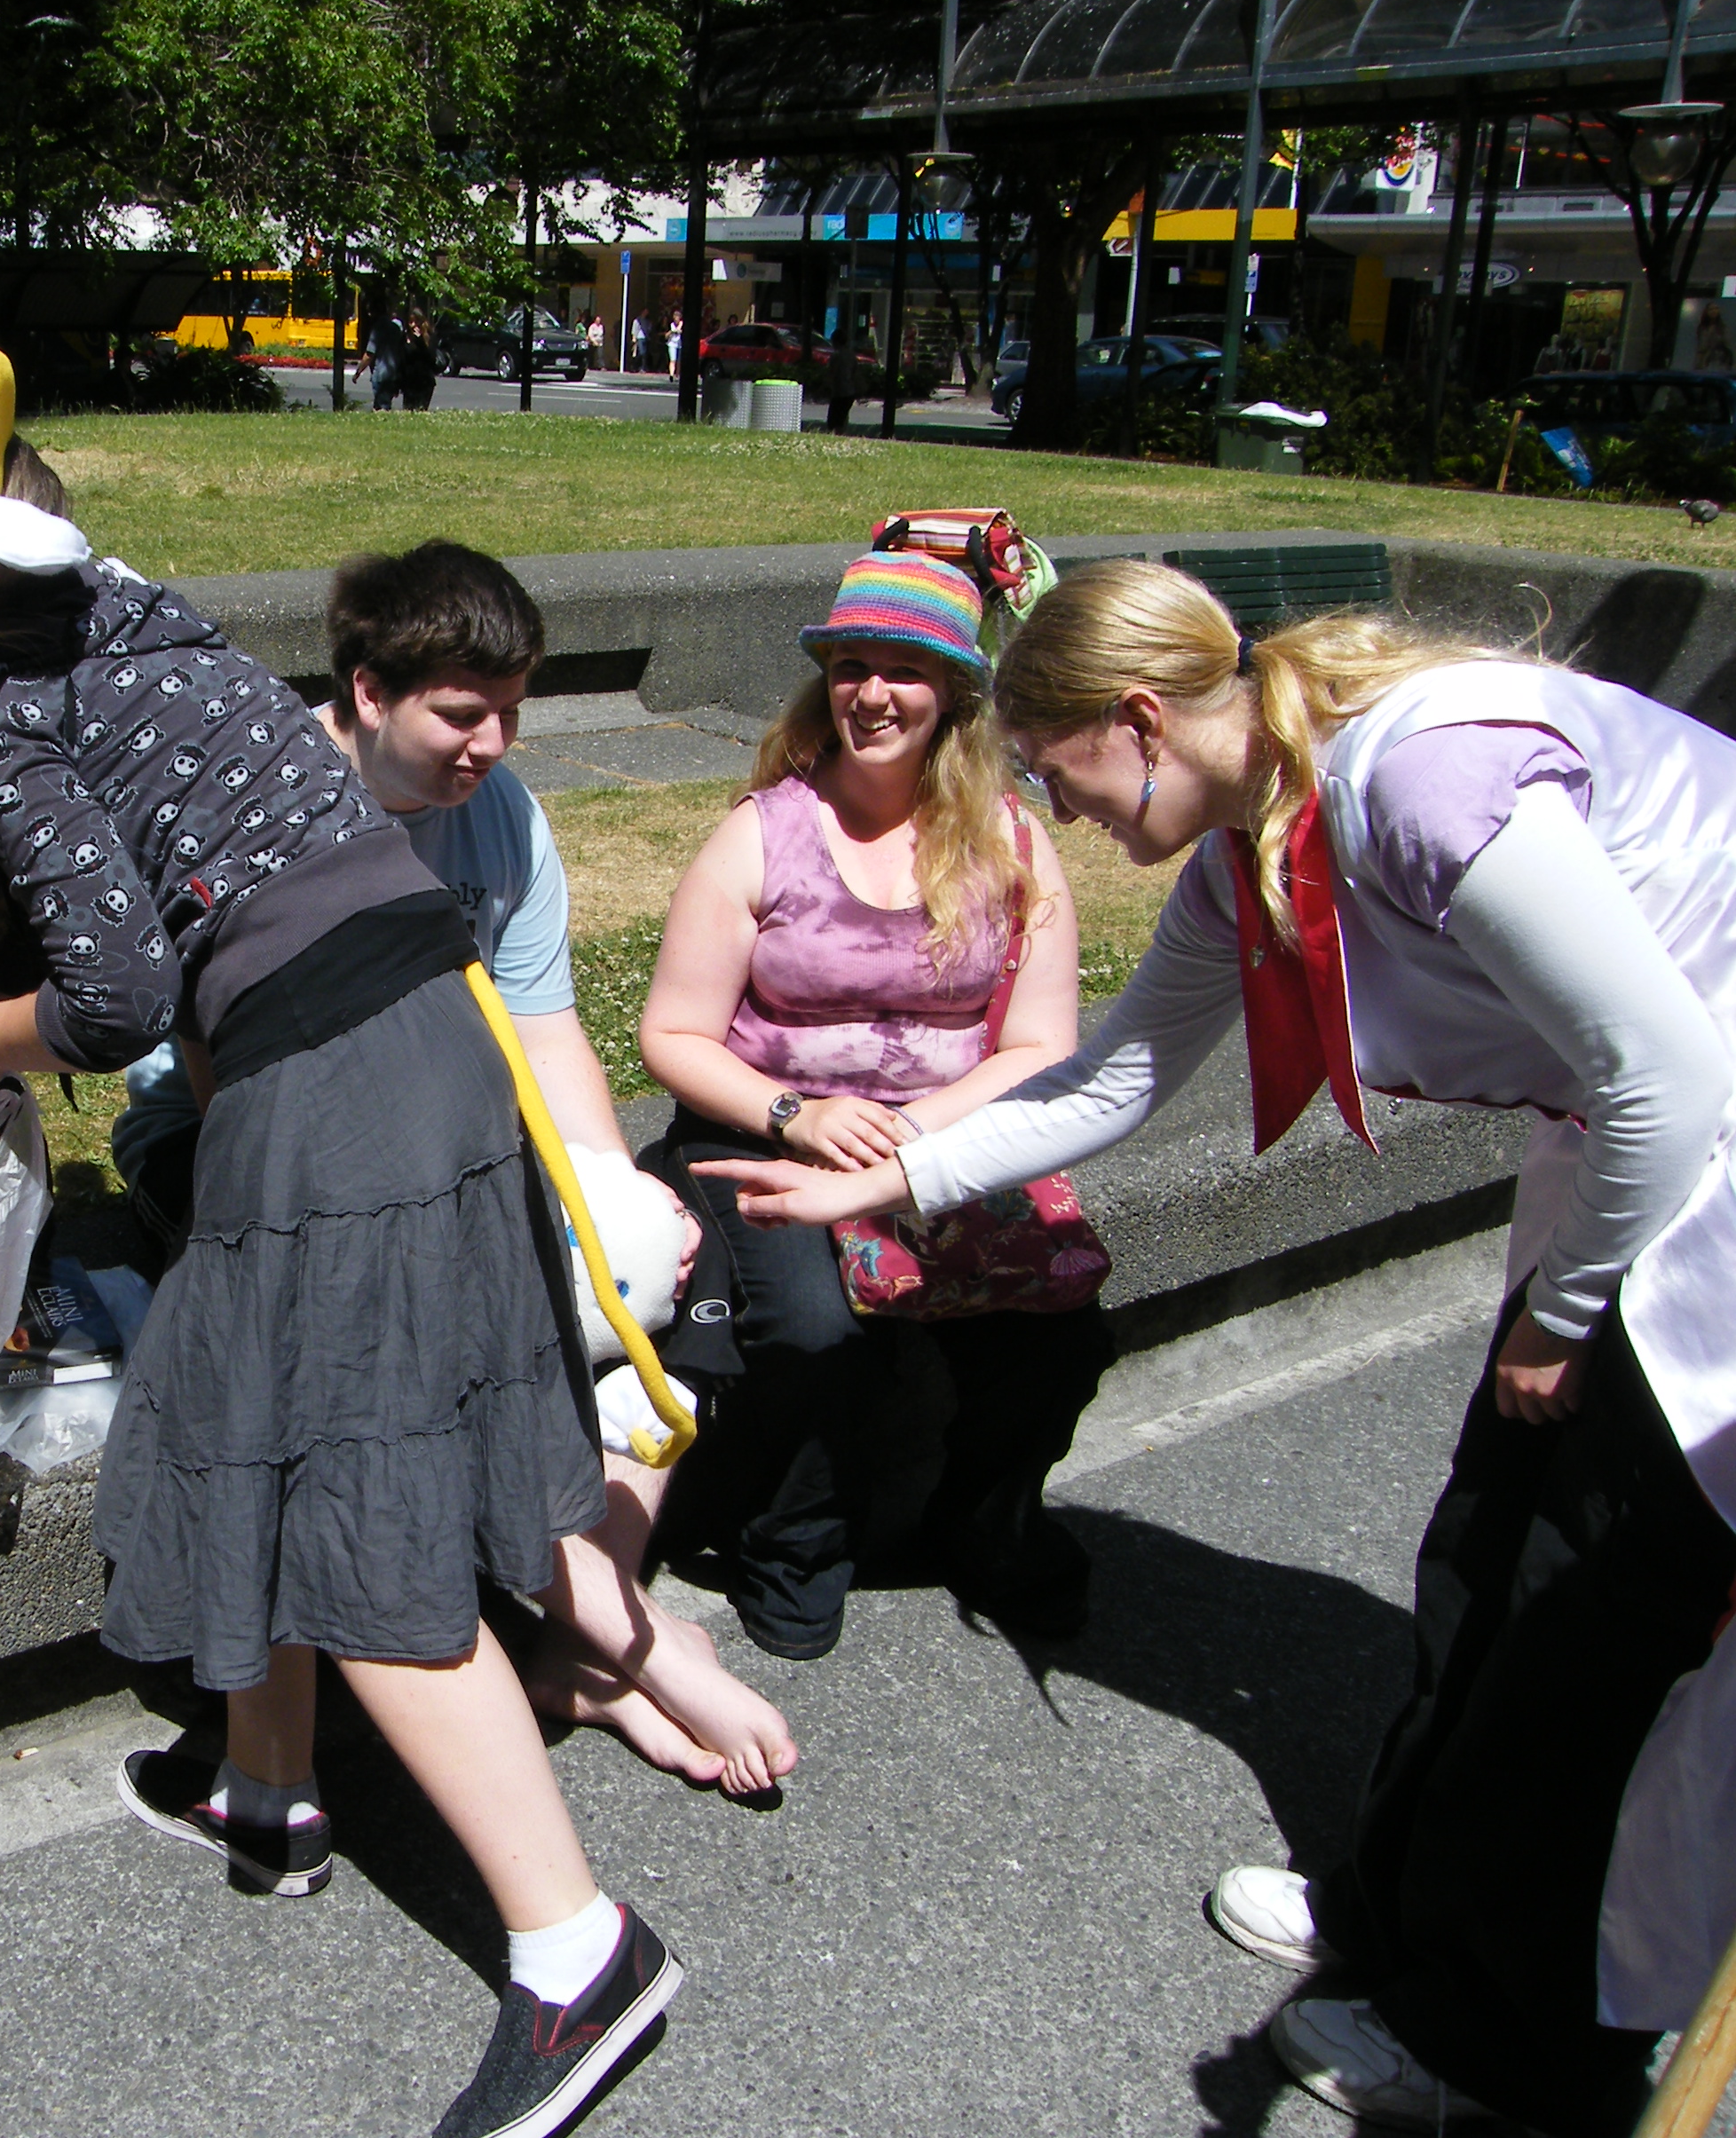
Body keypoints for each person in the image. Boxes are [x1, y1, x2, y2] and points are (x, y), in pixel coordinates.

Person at [0, 355, 681, 2138]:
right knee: (227, 1405)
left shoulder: (3, 710)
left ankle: (582, 1955)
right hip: (414, 1040)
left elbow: (111, 998)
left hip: (335, 1080)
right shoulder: (113, 610)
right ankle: (269, 1795)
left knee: (355, 1505)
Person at [703, 556, 1736, 2138]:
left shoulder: (1424, 782)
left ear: (1136, 721)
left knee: (1581, 1625)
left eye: (1054, 773)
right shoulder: (1252, 846)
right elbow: (1114, 1082)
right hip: (1623, 1166)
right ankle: (1399, 1913)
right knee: (1478, 1559)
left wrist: (1561, 1310)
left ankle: (1503, 2045)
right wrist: (894, 1176)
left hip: (1697, 1184)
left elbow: (1666, 1070)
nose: (1058, 815)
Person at [109, 540, 801, 1799]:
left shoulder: (503, 816)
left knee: (670, 1267)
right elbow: (226, 1080)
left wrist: (608, 1190)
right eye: (462, 715)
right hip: (242, 1148)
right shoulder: (262, 795)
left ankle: (591, 1631)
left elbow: (542, 1028)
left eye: (512, 714)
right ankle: (630, 1645)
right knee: (397, 1343)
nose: (491, 745)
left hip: (442, 1139)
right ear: (369, 691)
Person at [635, 552, 1109, 1663]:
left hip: (943, 1137)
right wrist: (795, 1114)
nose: (872, 694)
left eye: (905, 670)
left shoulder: (1012, 840)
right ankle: (792, 1545)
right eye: (851, 666)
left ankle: (986, 1526)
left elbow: (1041, 1045)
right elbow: (674, 1035)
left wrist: (918, 1132)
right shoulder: (764, 832)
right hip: (761, 1133)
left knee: (1059, 1335)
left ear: (955, 693)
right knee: (817, 1330)